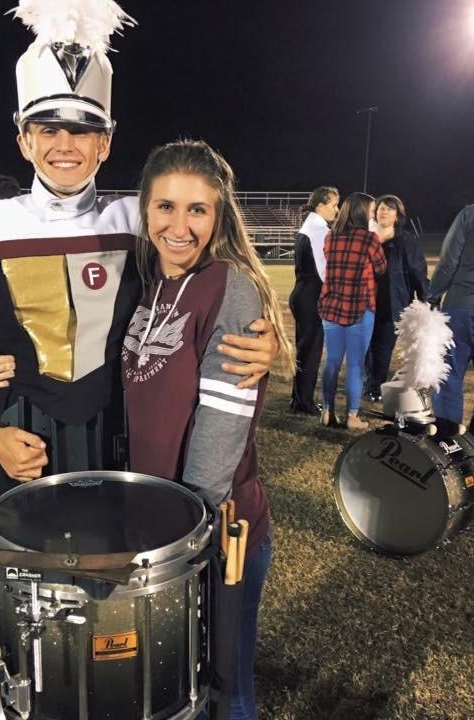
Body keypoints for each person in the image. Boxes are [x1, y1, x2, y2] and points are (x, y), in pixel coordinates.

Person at [0, 0, 278, 516]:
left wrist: (256, 338)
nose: (65, 145)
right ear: (23, 139)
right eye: (48, 129)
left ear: (106, 143)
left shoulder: (138, 220)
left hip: (124, 450)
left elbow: (207, 288)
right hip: (21, 448)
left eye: (83, 130)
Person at [116, 139, 293, 720]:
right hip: (157, 527)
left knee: (224, 692)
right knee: (173, 685)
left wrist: (181, 540)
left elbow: (219, 436)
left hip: (211, 531)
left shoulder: (229, 286)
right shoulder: (148, 281)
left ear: (219, 216)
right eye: (165, 206)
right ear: (145, 209)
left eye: (197, 209)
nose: (180, 226)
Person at [318, 192, 387, 430]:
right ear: (362, 212)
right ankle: (352, 416)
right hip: (360, 306)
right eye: (371, 211)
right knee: (356, 365)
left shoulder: (331, 237)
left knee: (332, 361)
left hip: (332, 306)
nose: (373, 215)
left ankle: (327, 411)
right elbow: (381, 267)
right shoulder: (369, 239)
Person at [363, 194, 429, 401]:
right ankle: (369, 381)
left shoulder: (406, 240)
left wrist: (426, 297)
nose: (384, 212)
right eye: (381, 208)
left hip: (392, 300)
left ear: (398, 215)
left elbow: (417, 270)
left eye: (389, 209)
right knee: (365, 344)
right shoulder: (367, 236)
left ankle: (375, 386)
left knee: (383, 345)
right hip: (365, 300)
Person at [288, 186, 339, 415]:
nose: (337, 210)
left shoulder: (309, 227)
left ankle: (299, 399)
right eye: (334, 205)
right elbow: (324, 272)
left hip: (303, 294)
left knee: (305, 350)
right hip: (311, 297)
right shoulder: (319, 230)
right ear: (320, 205)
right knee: (311, 351)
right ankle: (303, 403)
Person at [428, 204, 474, 432]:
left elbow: (449, 261)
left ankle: (447, 435)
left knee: (449, 373)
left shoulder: (469, 214)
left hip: (461, 305)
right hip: (462, 305)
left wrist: (432, 296)